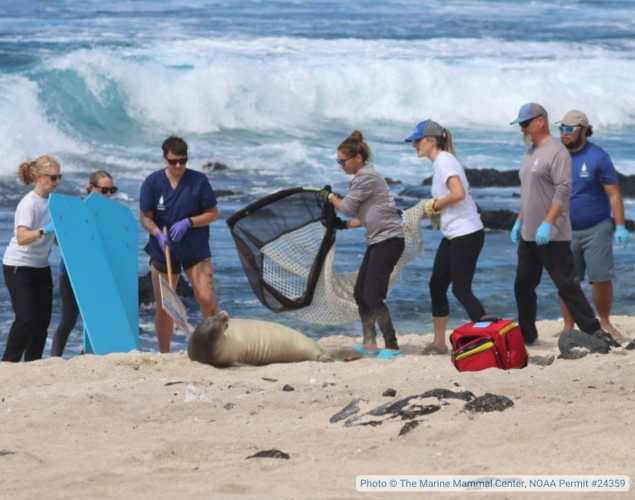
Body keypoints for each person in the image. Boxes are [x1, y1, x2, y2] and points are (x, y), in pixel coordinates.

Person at [509, 103, 615, 346]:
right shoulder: (530, 152)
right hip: (528, 234)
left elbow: (563, 191)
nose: (523, 128)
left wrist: (547, 223)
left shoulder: (557, 152)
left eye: (526, 123)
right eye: (521, 124)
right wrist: (519, 222)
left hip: (552, 235)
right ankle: (528, 335)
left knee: (567, 286)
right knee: (522, 286)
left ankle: (595, 332)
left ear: (540, 122)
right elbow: (528, 194)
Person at [404, 120, 488, 354]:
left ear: (430, 140)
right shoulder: (441, 162)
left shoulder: (444, 161)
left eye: (417, 140)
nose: (414, 145)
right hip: (454, 234)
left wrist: (435, 204)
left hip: (467, 233)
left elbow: (459, 193)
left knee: (461, 289)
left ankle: (489, 334)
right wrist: (436, 209)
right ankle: (439, 342)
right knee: (437, 285)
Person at [324, 130, 405, 358]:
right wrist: (343, 226)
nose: (341, 165)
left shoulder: (366, 176)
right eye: (338, 161)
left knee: (372, 295)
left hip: (389, 241)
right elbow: (368, 215)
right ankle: (370, 342)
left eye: (343, 161)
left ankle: (392, 346)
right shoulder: (363, 177)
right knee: (360, 293)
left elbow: (348, 206)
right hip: (379, 240)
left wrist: (329, 197)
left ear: (358, 158)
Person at [140, 136, 219, 353]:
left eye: (183, 161)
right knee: (165, 307)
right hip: (163, 249)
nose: (178, 166)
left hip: (195, 248)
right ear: (165, 158)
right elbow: (145, 217)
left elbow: (213, 213)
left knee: (206, 297)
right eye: (173, 161)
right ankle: (164, 354)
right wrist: (156, 232)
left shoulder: (199, 181)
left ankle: (215, 346)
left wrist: (190, 222)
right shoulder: (152, 183)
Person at [556, 110, 629, 339]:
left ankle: (604, 321)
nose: (564, 134)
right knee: (567, 281)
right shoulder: (556, 156)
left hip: (597, 227)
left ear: (583, 130)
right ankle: (569, 326)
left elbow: (614, 194)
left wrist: (620, 226)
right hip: (565, 230)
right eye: (561, 129)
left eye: (569, 129)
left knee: (600, 278)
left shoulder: (599, 157)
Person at [50, 171, 118, 357]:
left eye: (112, 190)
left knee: (97, 317)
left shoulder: (112, 213)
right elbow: (58, 240)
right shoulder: (75, 209)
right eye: (104, 190)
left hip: (98, 272)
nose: (109, 195)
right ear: (91, 188)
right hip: (72, 272)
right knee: (69, 318)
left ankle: (87, 353)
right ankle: (54, 358)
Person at [2, 156, 61, 362]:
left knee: (42, 322)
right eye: (52, 177)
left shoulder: (54, 203)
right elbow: (22, 237)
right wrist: (46, 230)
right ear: (38, 177)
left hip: (41, 266)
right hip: (19, 266)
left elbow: (54, 239)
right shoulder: (29, 204)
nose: (56, 182)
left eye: (58, 177)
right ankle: (8, 364)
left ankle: (33, 363)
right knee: (26, 318)